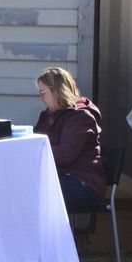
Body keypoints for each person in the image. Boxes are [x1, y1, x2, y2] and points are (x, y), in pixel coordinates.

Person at [33, 67, 106, 210]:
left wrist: (33, 150)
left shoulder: (80, 117)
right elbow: (36, 143)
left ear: (58, 91)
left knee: (30, 194)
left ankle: (47, 233)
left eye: (43, 92)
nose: (41, 98)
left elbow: (66, 154)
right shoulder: (48, 116)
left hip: (82, 182)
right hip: (59, 178)